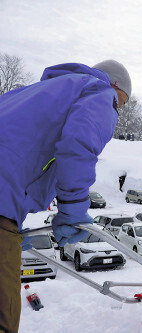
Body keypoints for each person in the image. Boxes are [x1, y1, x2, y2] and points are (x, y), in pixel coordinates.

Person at [0, 59, 131, 332]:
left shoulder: (32, 93)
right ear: (115, 87)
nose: (119, 109)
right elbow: (79, 145)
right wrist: (72, 208)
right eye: (123, 102)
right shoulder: (98, 91)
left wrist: (14, 224)